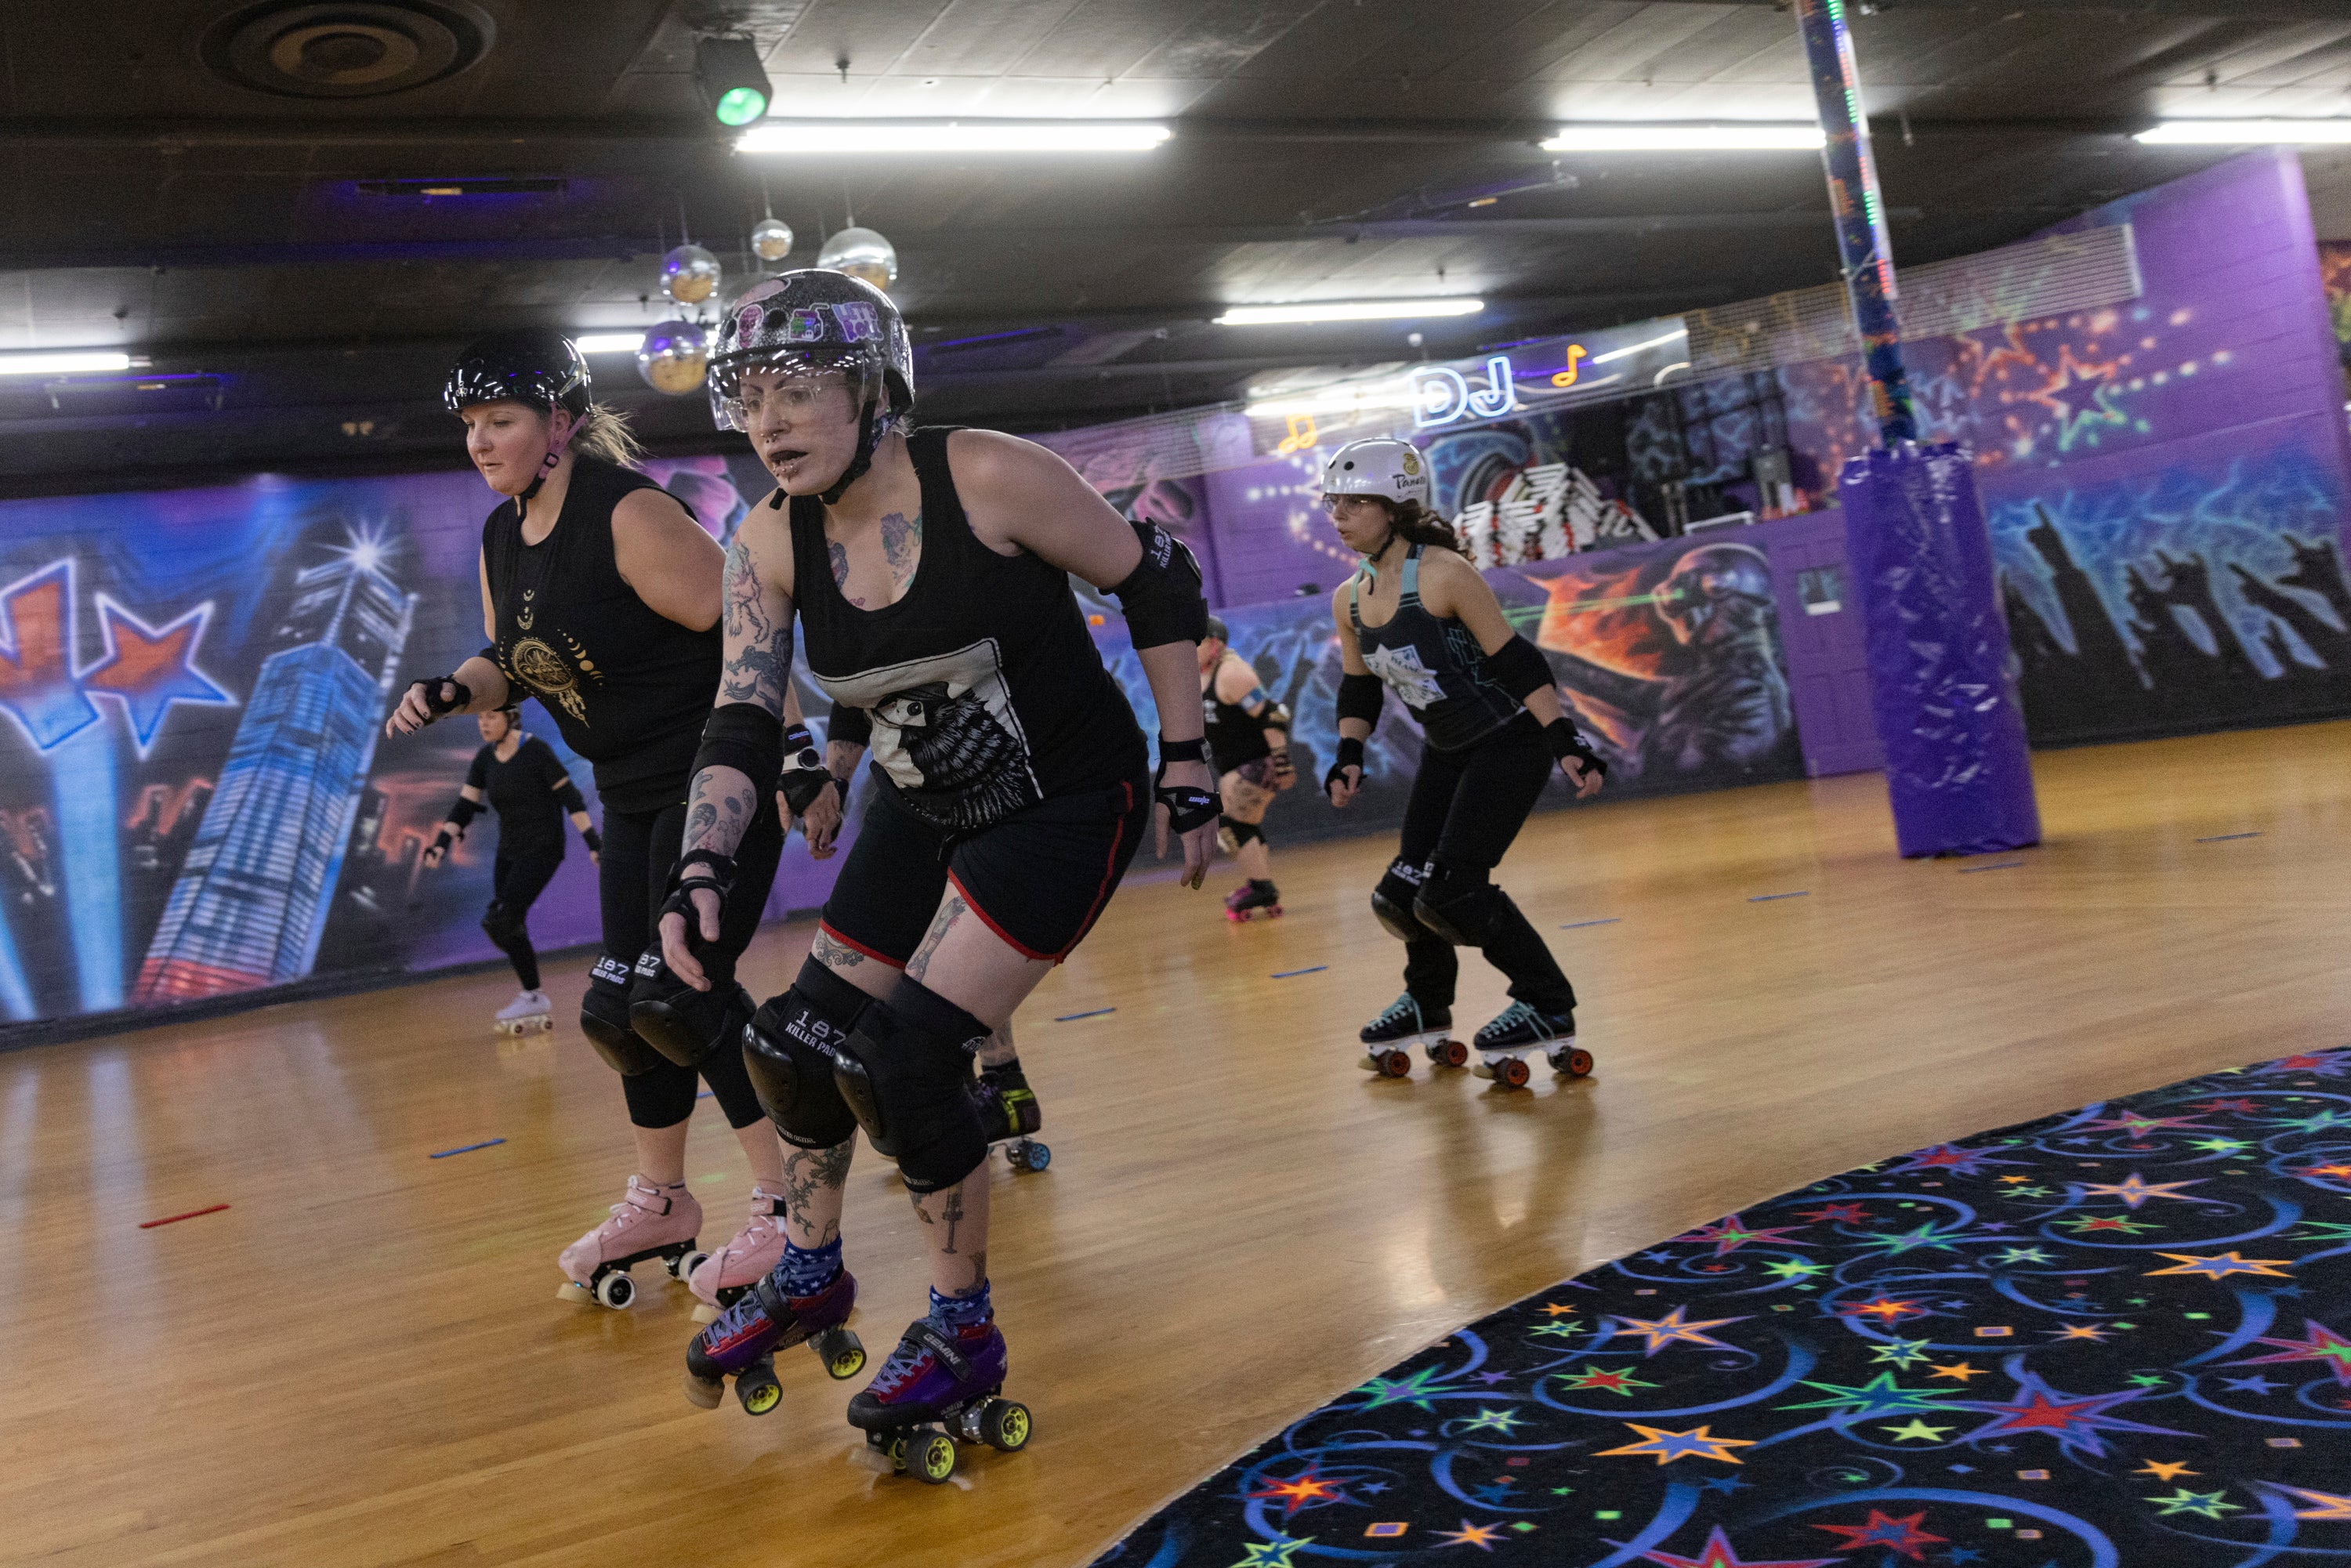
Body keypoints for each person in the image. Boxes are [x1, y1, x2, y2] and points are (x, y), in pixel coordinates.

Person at [665, 270, 1216, 1468]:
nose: (770, 421)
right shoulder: (763, 537)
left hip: (1066, 801)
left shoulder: (989, 477)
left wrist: (1188, 760)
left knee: (905, 1055)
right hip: (922, 806)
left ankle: (963, 1328)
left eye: (800, 389)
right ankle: (812, 1272)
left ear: (875, 389)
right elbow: (741, 715)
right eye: (751, 395)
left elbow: (1154, 580)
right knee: (789, 1043)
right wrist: (702, 866)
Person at [386, 331, 841, 1313]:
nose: (480, 442)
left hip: (712, 773)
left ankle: (787, 1202)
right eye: (469, 425)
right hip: (630, 792)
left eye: (499, 420)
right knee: (619, 1012)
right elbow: (510, 659)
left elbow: (748, 629)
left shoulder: (627, 514)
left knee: (684, 997)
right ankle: (664, 1200)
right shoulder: (504, 536)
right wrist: (449, 689)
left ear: (561, 423)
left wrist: (798, 761)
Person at [1318, 437, 1608, 1088]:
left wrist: (1565, 740)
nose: (1337, 514)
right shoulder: (1350, 597)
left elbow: (1518, 662)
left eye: (1353, 502)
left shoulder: (1444, 573)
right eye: (1332, 502)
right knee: (1401, 895)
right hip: (1447, 750)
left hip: (1509, 742)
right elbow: (1359, 685)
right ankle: (1427, 1001)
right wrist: (1348, 753)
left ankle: (1546, 1000)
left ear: (1395, 506)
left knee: (1453, 892)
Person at [824, 701, 1048, 1171]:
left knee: (952, 942)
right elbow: (849, 704)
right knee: (933, 948)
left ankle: (999, 1088)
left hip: (972, 789)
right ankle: (989, 1089)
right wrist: (832, 783)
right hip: (916, 789)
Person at [420, 700, 601, 1034]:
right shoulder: (485, 759)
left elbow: (570, 798)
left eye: (491, 716)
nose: (484, 724)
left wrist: (592, 842)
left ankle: (532, 995)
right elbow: (464, 806)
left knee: (506, 918)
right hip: (509, 852)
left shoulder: (536, 751)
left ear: (511, 717)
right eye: (480, 718)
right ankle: (532, 994)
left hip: (543, 848)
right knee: (500, 923)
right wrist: (440, 844)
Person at [1198, 615, 1296, 922]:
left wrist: (1282, 763)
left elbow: (1272, 715)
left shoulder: (1232, 673)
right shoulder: (1204, 673)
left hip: (1256, 763)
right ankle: (1260, 883)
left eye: (1195, 643)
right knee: (1243, 824)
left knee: (1229, 824)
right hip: (1236, 766)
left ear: (1215, 644)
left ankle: (1262, 886)